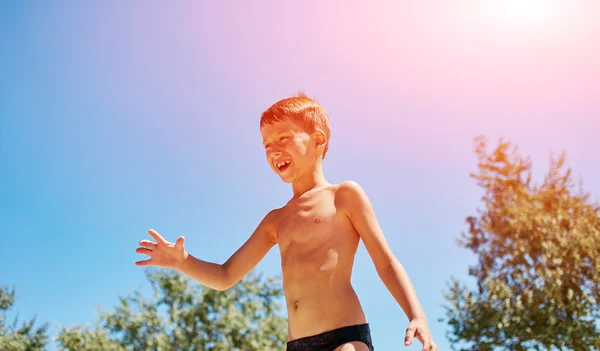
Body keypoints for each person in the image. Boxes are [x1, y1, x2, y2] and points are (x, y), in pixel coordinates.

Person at [135, 93, 438, 351]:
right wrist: (182, 262)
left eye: (283, 138)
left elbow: (385, 262)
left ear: (318, 140)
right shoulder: (276, 220)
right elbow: (226, 275)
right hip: (296, 344)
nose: (273, 149)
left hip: (344, 338)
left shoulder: (344, 196)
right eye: (266, 145)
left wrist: (416, 315)